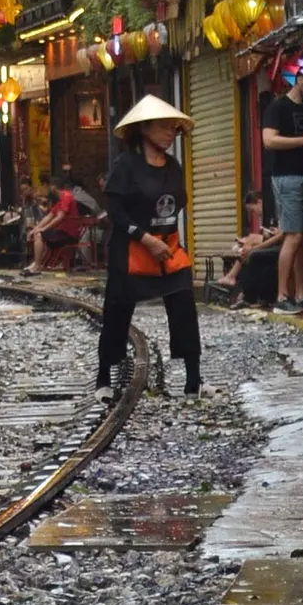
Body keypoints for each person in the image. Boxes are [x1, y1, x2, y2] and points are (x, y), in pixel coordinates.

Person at [97, 95, 201, 399]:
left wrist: (161, 237)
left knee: (184, 304)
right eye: (165, 128)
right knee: (117, 310)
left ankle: (194, 379)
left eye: (174, 129)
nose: (171, 134)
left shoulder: (173, 166)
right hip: (132, 248)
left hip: (168, 247)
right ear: (144, 129)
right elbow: (116, 212)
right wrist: (144, 237)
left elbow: (178, 202)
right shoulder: (125, 165)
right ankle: (103, 377)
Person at [261, 68, 303, 312]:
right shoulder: (278, 107)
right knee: (293, 234)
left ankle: (300, 294)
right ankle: (281, 296)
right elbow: (269, 140)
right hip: (286, 177)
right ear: (299, 80)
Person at [222, 190, 285, 307]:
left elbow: (281, 235)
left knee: (251, 251)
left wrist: (255, 247)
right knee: (247, 248)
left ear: (259, 202)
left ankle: (237, 283)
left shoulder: (275, 211)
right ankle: (240, 286)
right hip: (274, 244)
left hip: (281, 246)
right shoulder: (266, 216)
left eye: (252, 210)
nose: (253, 214)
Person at [23, 180, 81, 274]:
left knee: (39, 235)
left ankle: (37, 265)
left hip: (69, 234)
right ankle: (38, 263)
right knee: (38, 233)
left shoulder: (66, 196)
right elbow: (49, 216)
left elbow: (59, 218)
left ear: (53, 188)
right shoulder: (60, 199)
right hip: (62, 232)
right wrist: (35, 229)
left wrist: (43, 229)